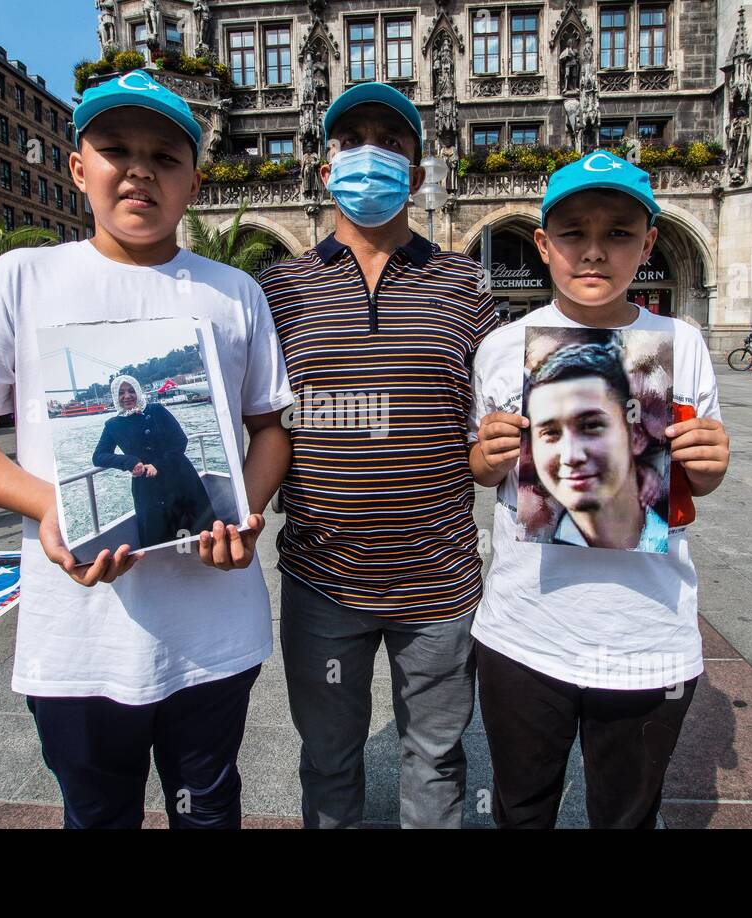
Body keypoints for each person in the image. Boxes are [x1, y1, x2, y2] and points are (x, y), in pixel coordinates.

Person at [0, 70, 293, 829]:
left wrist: (244, 510)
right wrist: (48, 505)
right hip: (78, 631)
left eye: (166, 155)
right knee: (96, 813)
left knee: (210, 808)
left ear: (194, 178)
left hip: (213, 625)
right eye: (116, 149)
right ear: (79, 166)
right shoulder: (24, 277)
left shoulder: (233, 291)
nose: (140, 169)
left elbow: (269, 429)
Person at [257, 82, 496, 828]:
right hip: (322, 577)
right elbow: (259, 422)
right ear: (325, 167)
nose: (370, 155)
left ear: (418, 176)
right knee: (327, 756)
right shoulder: (278, 288)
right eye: (351, 138)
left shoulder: (466, 284)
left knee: (437, 755)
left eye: (391, 143)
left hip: (440, 579)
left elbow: (500, 414)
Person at [469, 150, 730, 828]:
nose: (593, 252)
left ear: (648, 242)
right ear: (542, 243)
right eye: (573, 233)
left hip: (647, 632)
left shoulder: (680, 341)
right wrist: (488, 455)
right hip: (526, 628)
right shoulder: (500, 346)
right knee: (522, 809)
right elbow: (486, 469)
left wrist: (710, 458)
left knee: (627, 817)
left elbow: (698, 479)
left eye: (618, 233)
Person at [521, 331, 670, 552]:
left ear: (636, 435)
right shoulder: (534, 535)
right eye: (550, 433)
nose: (571, 455)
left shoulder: (664, 538)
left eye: (591, 426)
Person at [90, 375, 216, 547]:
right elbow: (99, 456)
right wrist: (129, 461)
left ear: (138, 391)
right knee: (160, 540)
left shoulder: (157, 410)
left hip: (180, 477)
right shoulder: (113, 425)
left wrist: (158, 465)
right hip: (148, 487)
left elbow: (180, 440)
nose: (127, 396)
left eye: (131, 391)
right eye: (121, 392)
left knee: (200, 530)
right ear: (115, 396)